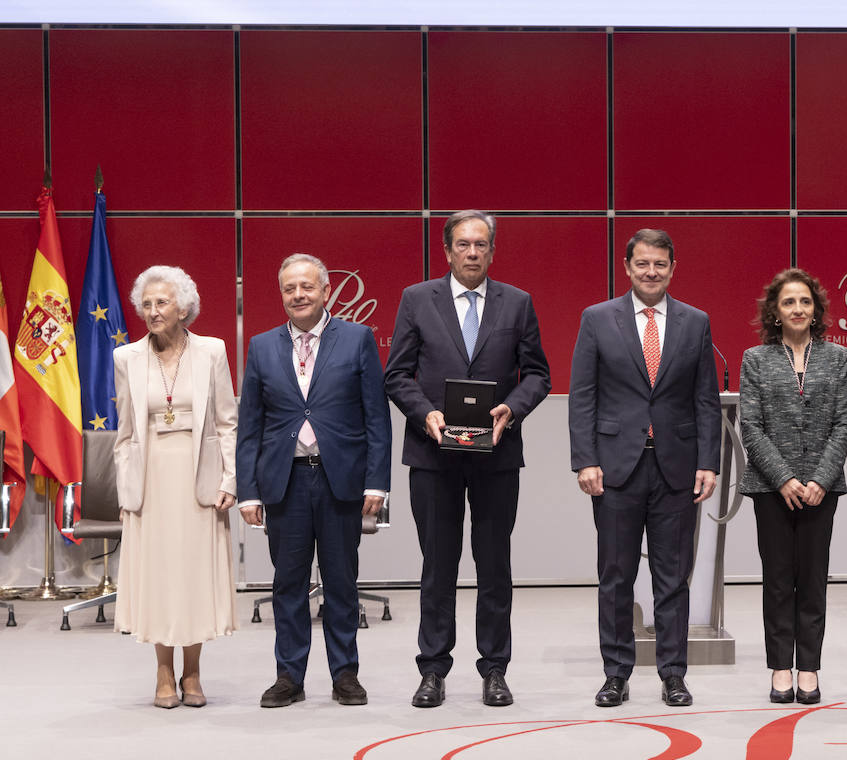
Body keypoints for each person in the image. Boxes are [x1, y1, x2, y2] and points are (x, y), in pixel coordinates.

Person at [384, 210, 551, 708]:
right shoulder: (417, 300)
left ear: (492, 251)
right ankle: (433, 669)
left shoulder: (517, 303)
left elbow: (538, 374)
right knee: (438, 565)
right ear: (447, 250)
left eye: (481, 244)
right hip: (434, 455)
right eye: (463, 244)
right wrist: (426, 415)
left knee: (494, 565)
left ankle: (494, 669)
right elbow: (397, 375)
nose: (472, 252)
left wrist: (512, 409)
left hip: (496, 455)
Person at [569, 228, 722, 708]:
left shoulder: (695, 322)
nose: (651, 272)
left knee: (672, 578)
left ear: (672, 268)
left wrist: (708, 463)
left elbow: (705, 400)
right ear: (627, 266)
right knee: (614, 577)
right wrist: (585, 459)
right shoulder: (597, 319)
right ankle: (616, 674)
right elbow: (584, 397)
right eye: (642, 264)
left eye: (660, 264)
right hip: (615, 469)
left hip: (676, 469)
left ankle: (673, 674)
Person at [237, 253, 391, 708]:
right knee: (288, 584)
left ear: (326, 291)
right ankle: (289, 676)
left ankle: (345, 674)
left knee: (342, 582)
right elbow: (251, 425)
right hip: (283, 483)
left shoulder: (358, 338)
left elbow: (376, 417)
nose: (298, 295)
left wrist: (376, 483)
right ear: (281, 295)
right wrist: (248, 489)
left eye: (307, 287)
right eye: (289, 289)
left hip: (339, 480)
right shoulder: (263, 346)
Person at [112, 265, 237, 709]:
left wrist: (230, 480)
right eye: (145, 304)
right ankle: (163, 671)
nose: (152, 311)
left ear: (184, 307)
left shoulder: (212, 351)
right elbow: (125, 432)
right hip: (150, 482)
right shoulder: (125, 358)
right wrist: (127, 490)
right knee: (159, 576)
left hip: (198, 479)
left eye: (161, 302)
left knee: (192, 575)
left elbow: (227, 422)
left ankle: (194, 672)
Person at [739, 268, 847, 705]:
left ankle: (809, 667)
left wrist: (819, 479)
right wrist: (784, 477)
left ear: (816, 308)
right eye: (789, 302)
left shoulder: (837, 357)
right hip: (772, 489)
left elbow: (844, 422)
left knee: (813, 581)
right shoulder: (755, 359)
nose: (798, 309)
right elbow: (750, 425)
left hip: (821, 491)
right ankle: (780, 668)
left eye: (805, 301)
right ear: (775, 311)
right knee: (777, 580)